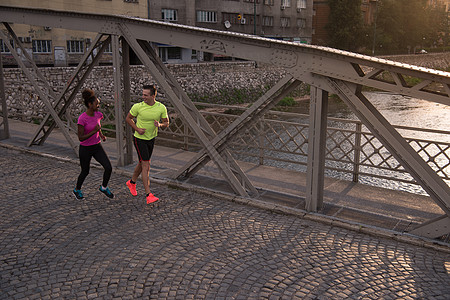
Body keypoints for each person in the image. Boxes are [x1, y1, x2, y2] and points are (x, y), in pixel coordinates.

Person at [125, 84, 169, 204]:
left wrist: (159, 125)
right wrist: (137, 129)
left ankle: (132, 182)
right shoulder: (138, 107)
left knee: (142, 162)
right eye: (143, 94)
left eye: (146, 95)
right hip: (139, 139)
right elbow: (128, 118)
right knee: (146, 165)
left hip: (151, 138)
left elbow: (166, 123)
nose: (143, 97)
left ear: (153, 95)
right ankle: (148, 194)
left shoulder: (161, 108)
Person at [73, 89, 114, 200]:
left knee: (108, 167)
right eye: (97, 104)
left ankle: (104, 187)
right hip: (85, 148)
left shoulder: (98, 115)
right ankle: (77, 189)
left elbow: (97, 126)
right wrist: (94, 132)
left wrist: (101, 135)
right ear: (90, 105)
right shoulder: (82, 118)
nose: (98, 106)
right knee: (85, 171)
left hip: (97, 146)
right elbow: (80, 138)